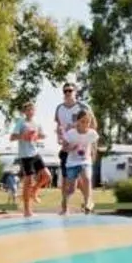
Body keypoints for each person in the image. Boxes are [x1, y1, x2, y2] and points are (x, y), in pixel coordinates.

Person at [10, 100, 48, 219]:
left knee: (47, 176)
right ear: (24, 112)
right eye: (28, 110)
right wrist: (23, 136)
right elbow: (12, 137)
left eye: (32, 109)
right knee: (28, 181)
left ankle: (34, 191)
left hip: (35, 153)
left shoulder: (37, 123)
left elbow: (42, 135)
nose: (30, 112)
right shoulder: (21, 122)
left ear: (34, 111)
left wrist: (38, 136)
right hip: (25, 155)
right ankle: (27, 211)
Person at [59, 108, 100, 215]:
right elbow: (64, 148)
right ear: (77, 121)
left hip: (85, 161)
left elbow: (94, 146)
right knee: (71, 189)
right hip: (72, 163)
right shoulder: (71, 133)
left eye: (88, 122)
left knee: (87, 178)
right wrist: (71, 148)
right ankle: (64, 205)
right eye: (83, 121)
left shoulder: (92, 133)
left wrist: (93, 157)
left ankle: (88, 202)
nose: (85, 124)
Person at [53, 82, 85, 214]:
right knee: (66, 180)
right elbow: (59, 126)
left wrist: (75, 127)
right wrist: (59, 137)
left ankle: (88, 202)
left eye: (70, 90)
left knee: (81, 179)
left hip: (80, 148)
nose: (67, 93)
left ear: (75, 92)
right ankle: (65, 208)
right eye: (65, 91)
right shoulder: (59, 108)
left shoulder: (82, 107)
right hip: (66, 148)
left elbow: (90, 124)